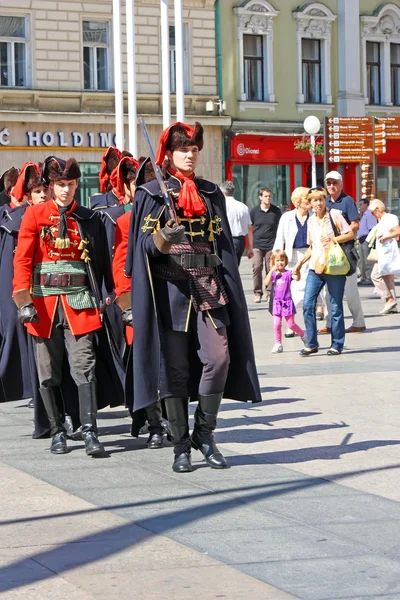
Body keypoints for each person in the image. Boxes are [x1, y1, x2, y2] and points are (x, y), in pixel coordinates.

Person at [127, 121, 261, 473]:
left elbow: (220, 242)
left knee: (219, 358)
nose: (190, 154)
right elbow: (140, 248)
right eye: (183, 149)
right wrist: (162, 238)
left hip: (208, 286)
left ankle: (205, 433)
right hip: (170, 291)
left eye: (194, 149)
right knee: (175, 371)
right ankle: (181, 445)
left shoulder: (210, 193)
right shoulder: (152, 194)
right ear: (169, 154)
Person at [12, 157, 124, 456]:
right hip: (43, 305)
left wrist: (112, 298)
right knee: (48, 372)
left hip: (80, 303)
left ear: (77, 185)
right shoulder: (34, 216)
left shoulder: (89, 218)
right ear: (51, 186)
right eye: (60, 185)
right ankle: (57, 430)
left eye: (70, 184)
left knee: (84, 369)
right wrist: (23, 300)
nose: (65, 190)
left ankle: (89, 431)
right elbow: (22, 260)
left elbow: (103, 264)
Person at [112, 157, 167, 449]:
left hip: (169, 299)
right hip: (139, 301)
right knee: (146, 364)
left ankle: (171, 420)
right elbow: (122, 265)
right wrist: (127, 305)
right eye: (137, 183)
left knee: (170, 362)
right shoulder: (124, 221)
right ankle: (154, 424)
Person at [295, 187, 354, 356]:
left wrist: (332, 239)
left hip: (334, 266)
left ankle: (337, 344)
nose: (318, 203)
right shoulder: (311, 221)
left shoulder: (334, 215)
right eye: (314, 200)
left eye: (321, 199)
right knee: (307, 304)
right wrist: (299, 265)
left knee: (335, 307)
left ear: (324, 200)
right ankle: (312, 343)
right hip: (316, 268)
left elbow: (350, 234)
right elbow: (312, 247)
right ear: (310, 203)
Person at [273, 186, 326, 336]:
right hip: (292, 257)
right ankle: (292, 324)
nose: (309, 201)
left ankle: (316, 316)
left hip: (311, 256)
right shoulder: (287, 217)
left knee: (313, 288)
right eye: (306, 198)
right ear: (297, 202)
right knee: (292, 292)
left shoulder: (314, 216)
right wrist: (277, 261)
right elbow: (279, 239)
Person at [320, 171, 365, 334]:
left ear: (341, 184)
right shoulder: (324, 202)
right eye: (329, 183)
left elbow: (355, 225)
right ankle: (330, 323)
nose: (331, 186)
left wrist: (339, 233)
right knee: (327, 291)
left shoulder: (347, 201)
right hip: (328, 252)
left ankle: (359, 322)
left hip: (346, 251)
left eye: (335, 183)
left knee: (350, 290)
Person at [264, 250, 306, 354]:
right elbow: (266, 282)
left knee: (291, 325)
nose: (280, 263)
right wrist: (271, 270)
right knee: (276, 324)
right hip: (277, 303)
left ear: (286, 261)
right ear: (273, 262)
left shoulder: (288, 273)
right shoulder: (274, 274)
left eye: (282, 260)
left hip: (287, 303)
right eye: (277, 260)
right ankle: (278, 344)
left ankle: (303, 335)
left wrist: (298, 270)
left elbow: (297, 278)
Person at [250, 188, 281, 303]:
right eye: (266, 196)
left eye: (269, 196)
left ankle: (269, 293)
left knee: (270, 268)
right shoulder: (254, 211)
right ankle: (257, 293)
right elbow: (250, 227)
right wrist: (250, 245)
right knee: (257, 267)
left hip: (271, 245)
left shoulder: (276, 211)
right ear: (260, 197)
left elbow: (280, 227)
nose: (268, 198)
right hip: (257, 244)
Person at [368, 199, 398, 314]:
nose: (372, 215)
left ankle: (388, 299)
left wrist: (385, 237)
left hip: (387, 252)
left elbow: (397, 231)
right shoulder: (383, 219)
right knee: (387, 276)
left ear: (378, 209)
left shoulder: (389, 218)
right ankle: (393, 304)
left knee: (375, 275)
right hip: (384, 251)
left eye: (372, 212)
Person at [219, 181, 253, 266]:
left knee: (225, 267)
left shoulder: (221, 206)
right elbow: (249, 227)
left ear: (222, 193)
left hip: (225, 239)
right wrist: (250, 246)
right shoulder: (243, 207)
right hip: (240, 240)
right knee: (235, 266)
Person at [357, 199, 377, 285]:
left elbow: (372, 229)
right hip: (361, 239)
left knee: (367, 259)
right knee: (361, 260)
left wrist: (371, 241)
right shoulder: (363, 215)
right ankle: (363, 277)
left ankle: (369, 277)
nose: (360, 206)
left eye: (361, 204)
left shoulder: (369, 215)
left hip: (366, 239)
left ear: (366, 205)